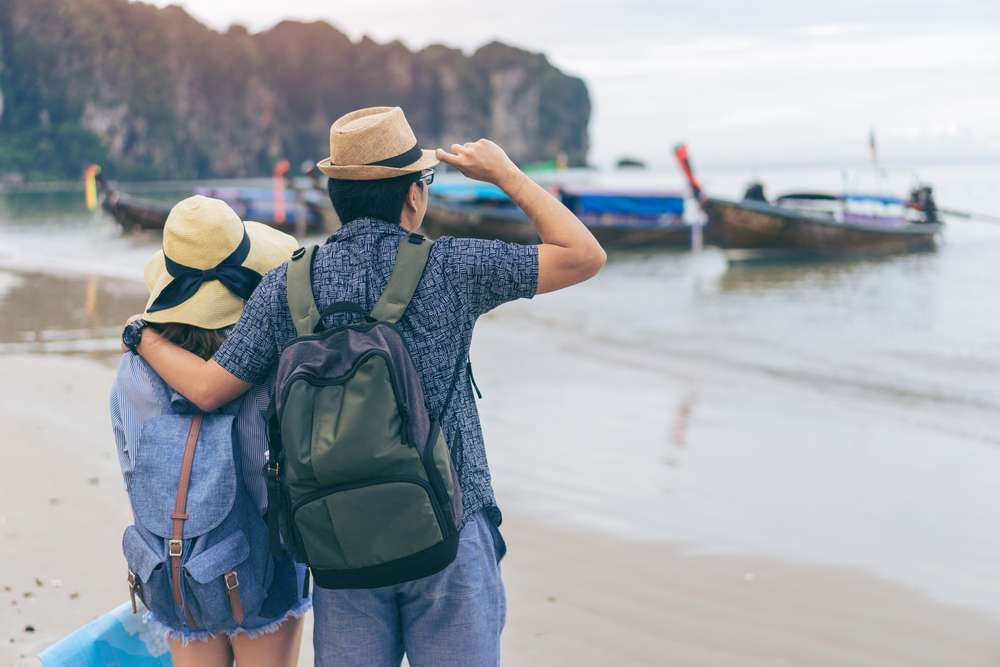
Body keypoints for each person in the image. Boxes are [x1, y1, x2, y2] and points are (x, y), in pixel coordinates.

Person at [125, 106, 606, 666]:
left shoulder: (289, 285)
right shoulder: (449, 267)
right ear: (413, 196)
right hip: (447, 530)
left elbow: (208, 388)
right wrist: (505, 174)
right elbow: (583, 255)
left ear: (336, 196)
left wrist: (145, 338)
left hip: (339, 539)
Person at [112, 196, 310, 667]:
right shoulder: (267, 366)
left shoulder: (133, 373)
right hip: (261, 566)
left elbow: (133, 467)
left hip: (173, 567)